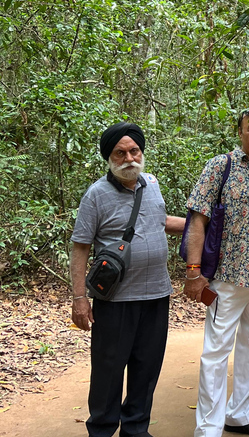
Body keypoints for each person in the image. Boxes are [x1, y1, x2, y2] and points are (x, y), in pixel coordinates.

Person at [70, 122, 186, 437]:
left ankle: (136, 429)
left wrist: (200, 224)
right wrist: (79, 298)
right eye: (120, 153)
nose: (129, 158)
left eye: (134, 151)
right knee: (108, 371)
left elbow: (160, 222)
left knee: (146, 368)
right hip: (115, 301)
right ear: (109, 157)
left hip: (157, 295)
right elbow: (80, 246)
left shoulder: (152, 184)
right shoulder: (96, 194)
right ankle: (103, 430)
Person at [184, 108, 249, 437]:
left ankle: (240, 414)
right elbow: (197, 219)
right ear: (240, 131)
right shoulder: (221, 166)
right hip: (228, 277)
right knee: (216, 354)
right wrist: (193, 272)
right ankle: (209, 429)